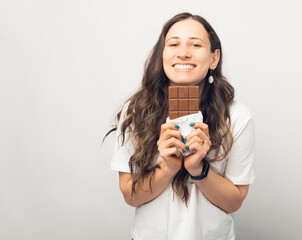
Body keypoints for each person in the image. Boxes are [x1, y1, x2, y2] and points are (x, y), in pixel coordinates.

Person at [104, 12, 255, 240]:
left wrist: (198, 169)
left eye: (195, 44)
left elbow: (234, 202)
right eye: (173, 44)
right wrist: (168, 168)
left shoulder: (237, 116)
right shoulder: (136, 111)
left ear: (214, 58)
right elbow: (131, 196)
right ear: (162, 55)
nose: (183, 53)